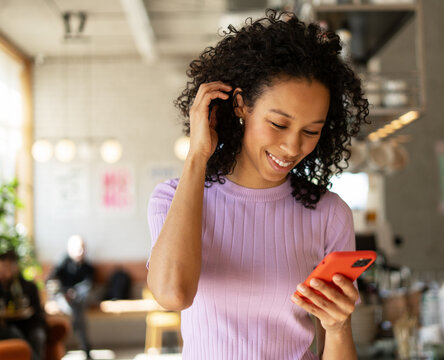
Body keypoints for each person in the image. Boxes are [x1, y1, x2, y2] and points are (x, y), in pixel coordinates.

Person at [146, 10, 369, 360]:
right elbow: (173, 294)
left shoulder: (329, 213)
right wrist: (197, 157)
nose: (293, 147)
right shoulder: (175, 198)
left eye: (311, 131)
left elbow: (334, 347)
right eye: (279, 124)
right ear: (240, 105)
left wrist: (338, 326)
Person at [47, 234, 94, 359]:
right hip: (62, 298)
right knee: (77, 312)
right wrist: (64, 292)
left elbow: (87, 285)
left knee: (77, 307)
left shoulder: (87, 267)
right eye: (78, 248)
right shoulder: (62, 262)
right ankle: (86, 349)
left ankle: (84, 348)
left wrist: (74, 292)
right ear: (70, 249)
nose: (81, 251)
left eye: (83, 248)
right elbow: (50, 280)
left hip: (77, 300)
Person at [0, 250, 47, 360]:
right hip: (8, 326)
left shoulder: (28, 286)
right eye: (2, 267)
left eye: (7, 267)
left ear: (15, 267)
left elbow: (38, 312)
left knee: (37, 336)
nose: (4, 271)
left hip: (29, 324)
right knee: (13, 332)